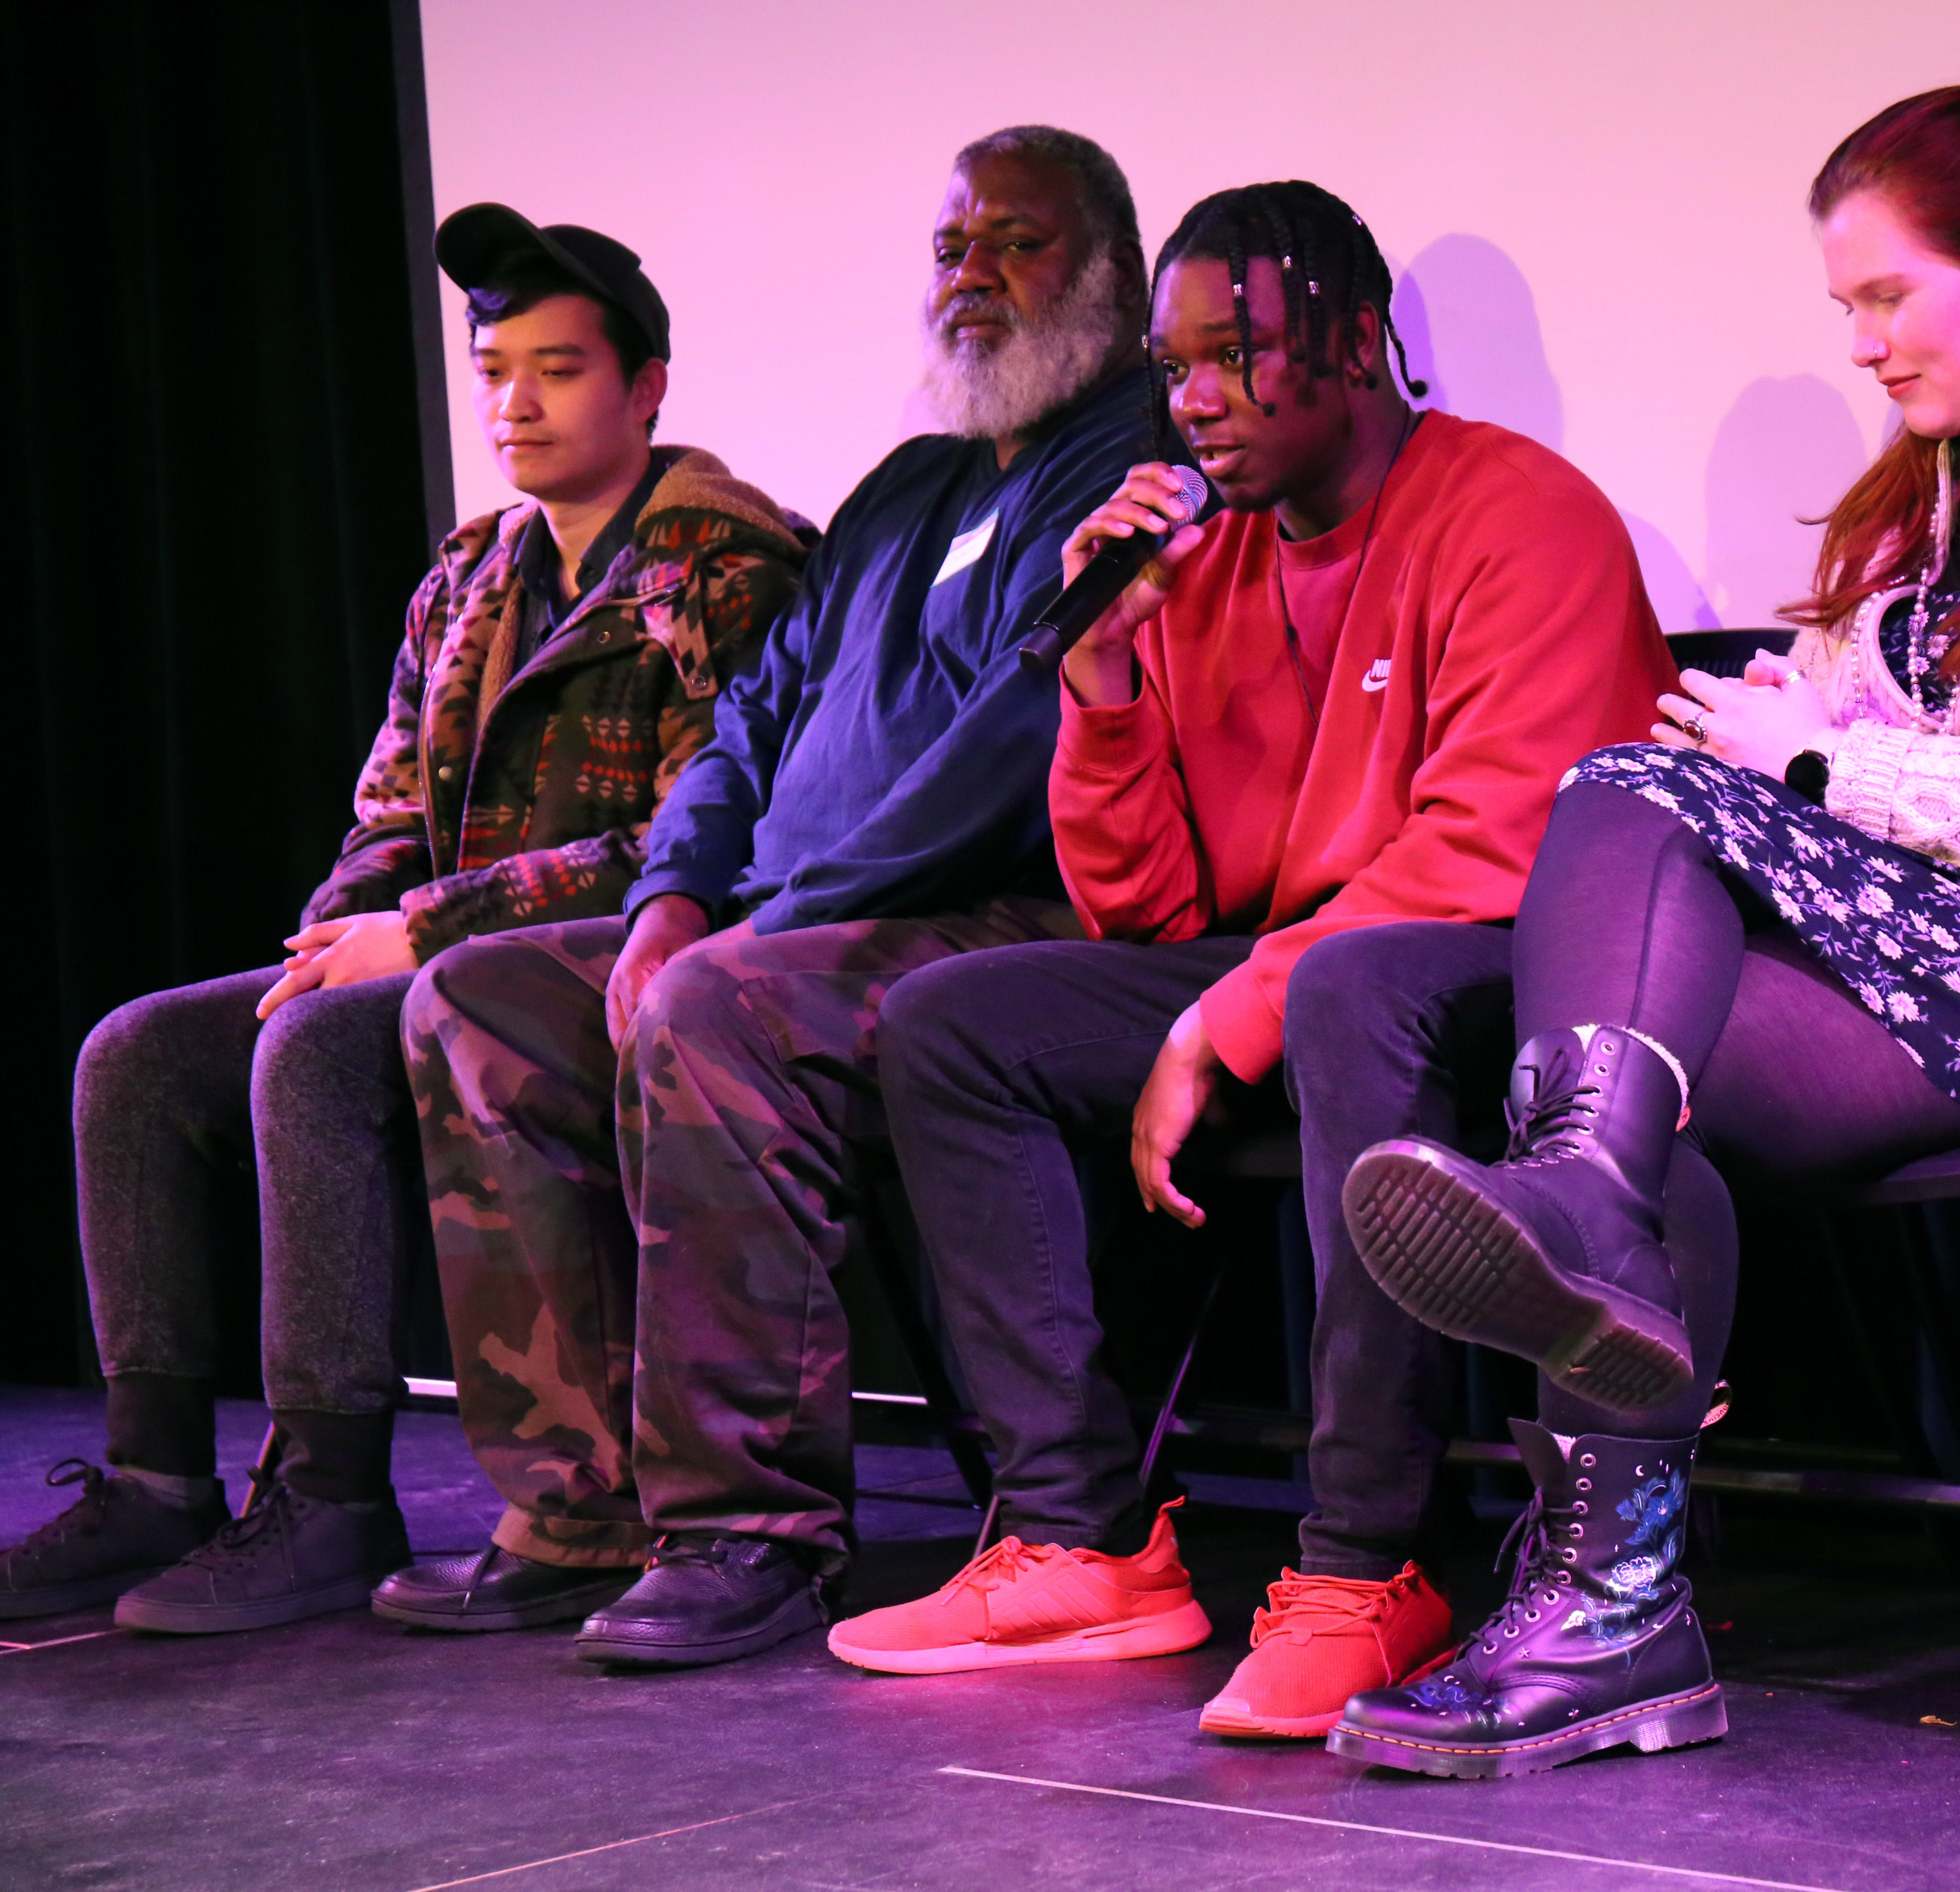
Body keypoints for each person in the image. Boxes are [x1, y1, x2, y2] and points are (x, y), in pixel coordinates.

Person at [1333, 85, 1960, 1776]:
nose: (1866, 345)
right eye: (1849, 311)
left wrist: (1822, 765)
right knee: (1432, 995)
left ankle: (1586, 1305)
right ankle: (1612, 1600)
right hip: (1934, 955)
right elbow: (1848, 709)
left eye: (1889, 296)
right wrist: (1799, 720)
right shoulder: (1949, 505)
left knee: (1629, 817)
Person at [823, 180, 1678, 1744]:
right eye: (1177, 364)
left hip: (1512, 977)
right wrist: (1101, 673)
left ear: (1359, 346)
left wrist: (1232, 1013)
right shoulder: (1197, 571)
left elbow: (1504, 847)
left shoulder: (1519, 513)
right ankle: (1085, 1538)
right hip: (1292, 970)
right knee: (953, 1023)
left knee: (1357, 986)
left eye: (1238, 352)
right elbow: (1147, 906)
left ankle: (1366, 1569)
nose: (1197, 398)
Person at [379, 127, 1158, 1667]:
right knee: (479, 997)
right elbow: (751, 725)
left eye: (1019, 241)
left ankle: (752, 1529)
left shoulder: (1135, 464)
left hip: (997, 923)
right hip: (786, 921)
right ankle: (580, 1505)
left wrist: (765, 924)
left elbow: (1023, 746)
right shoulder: (911, 486)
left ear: (1115, 281)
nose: (974, 275)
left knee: (718, 1006)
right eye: (952, 247)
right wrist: (674, 889)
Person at [0, 208, 807, 1634]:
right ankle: (153, 1477)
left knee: (310, 1057)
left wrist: (424, 932)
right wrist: (343, 929)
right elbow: (386, 805)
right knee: (138, 1053)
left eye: (556, 370)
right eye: (495, 370)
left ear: (649, 384)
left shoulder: (722, 567)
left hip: (600, 971)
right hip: (428, 957)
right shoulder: (474, 569)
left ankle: (329, 1489)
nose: (514, 404)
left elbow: (695, 835)